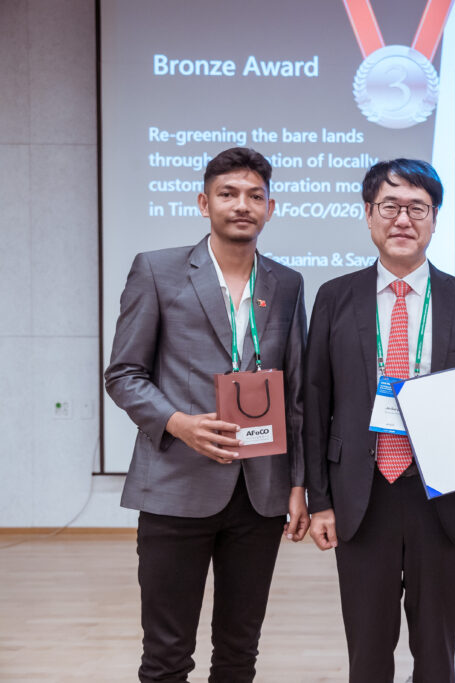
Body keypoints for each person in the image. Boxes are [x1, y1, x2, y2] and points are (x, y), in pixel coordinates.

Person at [104, 147, 309, 683]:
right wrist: (179, 423)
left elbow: (295, 395)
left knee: (240, 653)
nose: (242, 205)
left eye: (255, 196)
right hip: (175, 485)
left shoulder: (287, 284)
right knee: (166, 656)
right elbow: (123, 374)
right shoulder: (157, 270)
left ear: (270, 208)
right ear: (204, 203)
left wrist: (297, 484)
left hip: (259, 494)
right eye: (228, 194)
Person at [303, 159, 455, 682]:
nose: (403, 219)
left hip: (442, 495)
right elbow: (315, 403)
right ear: (368, 214)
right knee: (367, 651)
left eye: (417, 208)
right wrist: (320, 500)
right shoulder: (335, 297)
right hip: (361, 496)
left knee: (436, 651)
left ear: (435, 219)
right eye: (390, 206)